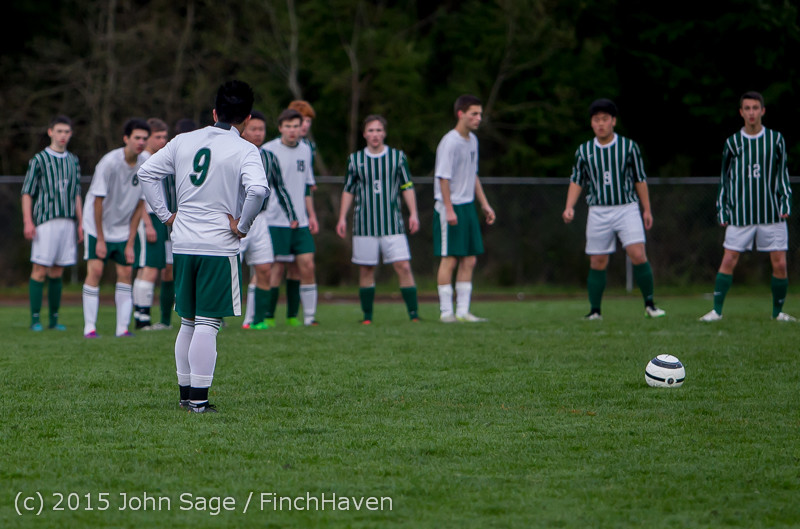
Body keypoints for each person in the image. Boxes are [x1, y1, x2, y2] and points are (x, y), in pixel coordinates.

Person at [138, 80, 269, 413]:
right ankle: (199, 400)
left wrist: (167, 216)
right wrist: (242, 225)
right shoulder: (245, 149)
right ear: (248, 118)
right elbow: (258, 191)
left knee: (188, 321)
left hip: (183, 242)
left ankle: (186, 395)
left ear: (214, 112)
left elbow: (147, 172)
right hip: (217, 245)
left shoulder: (184, 140)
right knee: (208, 323)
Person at [562, 98, 665, 320]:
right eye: (596, 120)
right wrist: (569, 207)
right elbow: (577, 180)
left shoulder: (629, 147)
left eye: (605, 119)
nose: (601, 124)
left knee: (637, 253)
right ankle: (595, 311)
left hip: (626, 207)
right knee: (597, 260)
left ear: (613, 121)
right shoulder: (584, 151)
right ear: (592, 123)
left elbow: (640, 179)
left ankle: (650, 304)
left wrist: (647, 210)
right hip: (598, 210)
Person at [699, 91, 794, 322]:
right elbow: (726, 178)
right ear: (741, 113)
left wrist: (785, 201)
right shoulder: (733, 142)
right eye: (747, 108)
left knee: (780, 262)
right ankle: (716, 311)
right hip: (741, 214)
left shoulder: (776, 140)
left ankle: (777, 313)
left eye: (755, 108)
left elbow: (782, 174)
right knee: (729, 259)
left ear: (762, 111)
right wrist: (723, 208)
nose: (751, 112)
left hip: (771, 213)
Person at [336, 114, 420, 323]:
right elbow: (348, 190)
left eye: (379, 130)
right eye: (371, 130)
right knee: (366, 269)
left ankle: (414, 315)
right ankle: (367, 317)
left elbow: (407, 186)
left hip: (393, 223)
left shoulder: (397, 157)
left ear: (384, 133)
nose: (375, 134)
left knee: (403, 266)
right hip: (364, 225)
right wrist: (342, 218)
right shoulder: (355, 159)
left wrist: (414, 213)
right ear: (364, 134)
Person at [82, 118, 151, 338]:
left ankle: (122, 329)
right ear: (126, 139)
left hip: (123, 228)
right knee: (96, 271)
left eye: (144, 138)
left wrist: (130, 242)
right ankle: (89, 328)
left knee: (125, 272)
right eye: (136, 138)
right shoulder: (109, 162)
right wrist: (100, 239)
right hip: (97, 226)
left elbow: (141, 204)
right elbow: (97, 201)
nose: (141, 142)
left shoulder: (146, 163)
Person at [434, 94, 496, 323]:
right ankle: (446, 312)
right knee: (449, 259)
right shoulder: (449, 142)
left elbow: (473, 175)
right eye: (474, 114)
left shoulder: (473, 141)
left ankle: (462, 311)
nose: (479, 118)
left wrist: (484, 204)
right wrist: (449, 209)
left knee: (470, 260)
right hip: (451, 207)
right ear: (461, 114)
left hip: (468, 206)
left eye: (480, 114)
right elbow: (443, 178)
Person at [21, 115, 83, 331]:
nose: (63, 135)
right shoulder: (39, 160)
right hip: (45, 221)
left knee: (57, 271)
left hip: (67, 222)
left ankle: (54, 320)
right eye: (59, 131)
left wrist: (81, 222)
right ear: (50, 132)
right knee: (39, 268)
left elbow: (76, 193)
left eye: (66, 132)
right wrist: (28, 221)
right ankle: (35, 319)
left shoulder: (73, 160)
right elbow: (27, 193)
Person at [263, 108, 319, 326]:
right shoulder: (268, 150)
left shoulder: (306, 150)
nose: (293, 130)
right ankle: (268, 316)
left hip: (301, 221)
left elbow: (306, 186)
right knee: (276, 268)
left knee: (306, 265)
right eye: (288, 126)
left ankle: (305, 317)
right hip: (275, 220)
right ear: (280, 128)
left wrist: (311, 215)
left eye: (296, 126)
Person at [239, 110, 282, 330]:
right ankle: (215, 318)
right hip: (235, 218)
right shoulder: (233, 153)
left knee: (265, 268)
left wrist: (293, 215)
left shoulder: (269, 157)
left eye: (261, 129)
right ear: (243, 130)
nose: (258, 133)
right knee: (226, 271)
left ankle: (257, 320)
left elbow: (280, 188)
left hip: (260, 219)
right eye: (253, 129)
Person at [132, 118, 170, 330]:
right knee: (150, 268)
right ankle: (142, 319)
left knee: (147, 268)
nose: (162, 141)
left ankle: (140, 315)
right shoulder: (143, 160)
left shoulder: (156, 158)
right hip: (148, 218)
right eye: (158, 137)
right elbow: (139, 197)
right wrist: (146, 223)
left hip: (155, 219)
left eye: (165, 137)